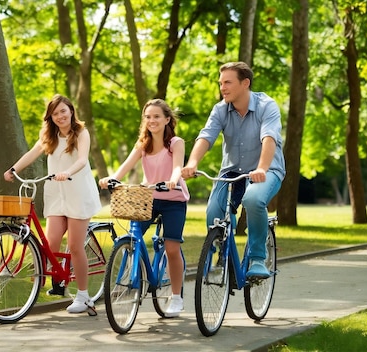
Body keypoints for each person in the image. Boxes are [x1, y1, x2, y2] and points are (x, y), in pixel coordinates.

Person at [181, 61, 285, 279]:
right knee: (213, 212)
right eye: (220, 83)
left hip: (266, 170)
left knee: (253, 199)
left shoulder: (267, 106)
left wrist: (261, 168)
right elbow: (206, 137)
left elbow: (269, 138)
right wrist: (192, 163)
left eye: (228, 82)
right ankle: (217, 254)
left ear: (245, 83)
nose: (222, 88)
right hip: (232, 172)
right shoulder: (220, 109)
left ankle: (257, 257)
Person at [4, 94, 102, 314]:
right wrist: (13, 169)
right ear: (50, 117)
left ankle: (84, 296)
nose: (60, 116)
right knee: (51, 244)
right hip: (57, 194)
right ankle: (58, 282)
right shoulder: (49, 135)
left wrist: (67, 172)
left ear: (71, 110)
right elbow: (33, 152)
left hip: (78, 192)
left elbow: (82, 159)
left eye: (63, 111)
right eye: (55, 113)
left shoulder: (81, 132)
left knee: (76, 247)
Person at [99, 99, 189, 318]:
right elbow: (125, 166)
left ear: (167, 119)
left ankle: (176, 298)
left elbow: (178, 166)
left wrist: (172, 180)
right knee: (133, 236)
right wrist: (111, 179)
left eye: (157, 116)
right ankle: (134, 275)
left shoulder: (176, 142)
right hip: (148, 198)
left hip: (174, 199)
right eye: (148, 117)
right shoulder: (143, 144)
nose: (152, 120)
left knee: (171, 248)